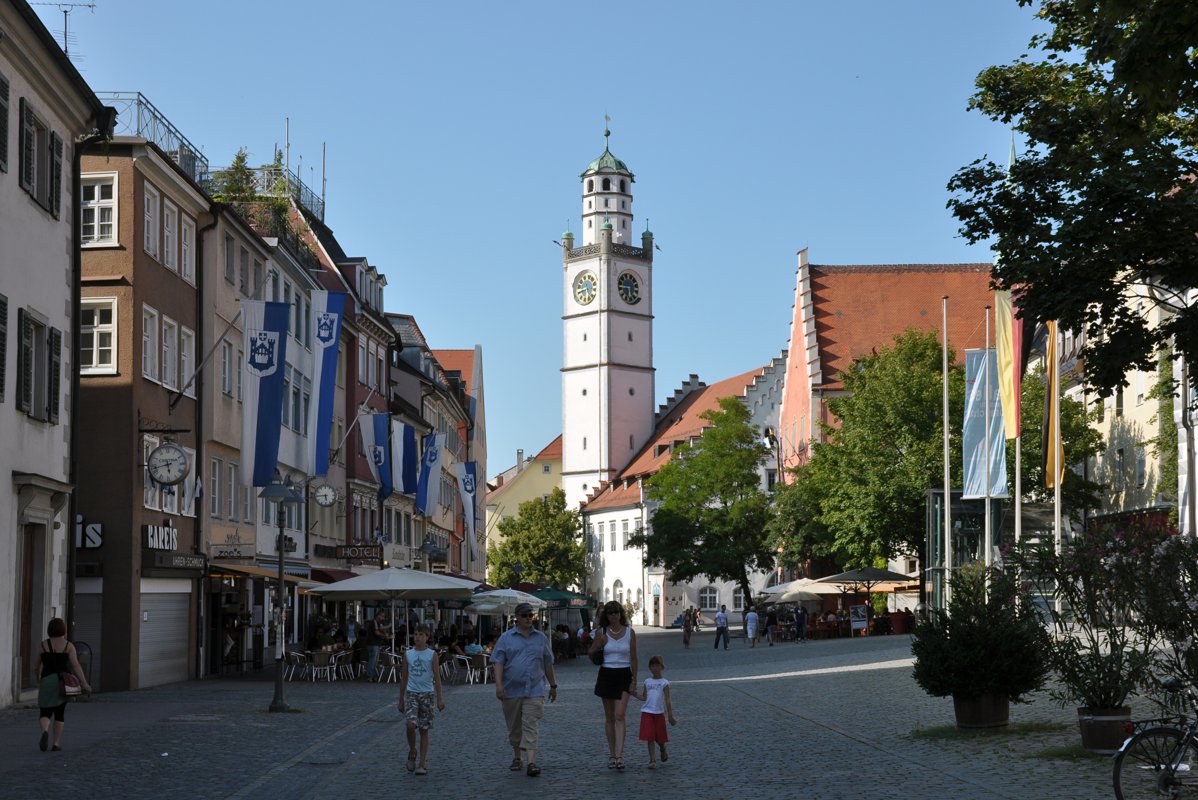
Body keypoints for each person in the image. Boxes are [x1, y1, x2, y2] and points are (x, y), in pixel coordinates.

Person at [491, 602, 557, 777]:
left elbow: (548, 663)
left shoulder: (541, 638)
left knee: (531, 725)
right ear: (517, 618)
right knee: (515, 728)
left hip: (534, 689)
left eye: (531, 615)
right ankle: (517, 756)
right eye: (525, 615)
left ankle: (532, 762)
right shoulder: (506, 638)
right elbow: (498, 662)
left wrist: (553, 685)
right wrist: (498, 685)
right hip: (510, 690)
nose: (529, 618)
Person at [589, 600, 638, 770]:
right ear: (606, 616)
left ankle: (620, 755)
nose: (614, 616)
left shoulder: (630, 633)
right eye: (610, 613)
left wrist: (634, 679)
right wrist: (600, 643)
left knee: (620, 715)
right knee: (609, 717)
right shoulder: (601, 632)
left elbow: (633, 658)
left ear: (621, 614)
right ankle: (612, 754)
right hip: (606, 674)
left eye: (616, 612)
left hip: (624, 674)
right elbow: (590, 653)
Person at [37, 617, 91, 752]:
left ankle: (44, 730)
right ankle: (55, 743)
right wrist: (84, 683)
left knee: (45, 711)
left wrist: (38, 677)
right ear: (63, 629)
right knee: (60, 712)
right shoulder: (68, 646)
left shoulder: (42, 645)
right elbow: (76, 665)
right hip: (62, 682)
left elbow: (36, 665)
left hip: (46, 680)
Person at [399, 624, 444, 776]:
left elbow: (437, 677)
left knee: (424, 730)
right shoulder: (408, 654)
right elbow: (404, 677)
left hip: (427, 694)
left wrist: (440, 699)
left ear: (427, 637)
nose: (418, 637)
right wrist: (401, 699)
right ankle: (412, 750)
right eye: (416, 634)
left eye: (421, 634)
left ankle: (422, 763)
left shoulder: (432, 654)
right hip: (412, 694)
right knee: (411, 725)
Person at [635, 655, 677, 769]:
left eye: (657, 666)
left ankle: (662, 748)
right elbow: (644, 697)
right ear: (650, 668)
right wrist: (634, 694)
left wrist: (670, 716)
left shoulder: (665, 683)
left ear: (662, 667)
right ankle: (652, 760)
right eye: (652, 666)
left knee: (660, 738)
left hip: (659, 713)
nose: (655, 668)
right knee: (650, 737)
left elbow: (667, 700)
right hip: (647, 711)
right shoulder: (647, 681)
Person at [365, 610, 390, 682]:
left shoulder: (377, 623)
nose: (383, 618)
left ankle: (373, 675)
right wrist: (385, 636)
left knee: (374, 661)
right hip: (373, 644)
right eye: (382, 616)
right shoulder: (374, 622)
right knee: (373, 661)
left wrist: (383, 636)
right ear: (378, 615)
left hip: (374, 644)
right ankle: (370, 676)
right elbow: (377, 633)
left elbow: (379, 632)